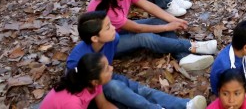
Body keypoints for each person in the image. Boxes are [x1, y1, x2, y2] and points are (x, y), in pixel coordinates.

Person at [67, 11, 207, 109]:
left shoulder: (112, 39)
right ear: (95, 38)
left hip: (105, 75)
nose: (114, 28)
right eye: (108, 27)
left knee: (140, 90)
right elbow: (83, 92)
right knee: (116, 88)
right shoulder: (77, 62)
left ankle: (184, 105)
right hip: (93, 89)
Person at [87, 0, 216, 71]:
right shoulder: (107, 9)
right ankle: (193, 46)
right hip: (107, 44)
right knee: (144, 38)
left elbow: (148, 6)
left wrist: (172, 20)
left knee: (158, 22)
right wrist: (167, 27)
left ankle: (183, 57)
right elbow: (138, 29)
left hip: (118, 30)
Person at [40, 52, 115, 109]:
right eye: (107, 69)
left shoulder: (92, 81)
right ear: (95, 82)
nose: (111, 68)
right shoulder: (73, 102)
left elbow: (103, 104)